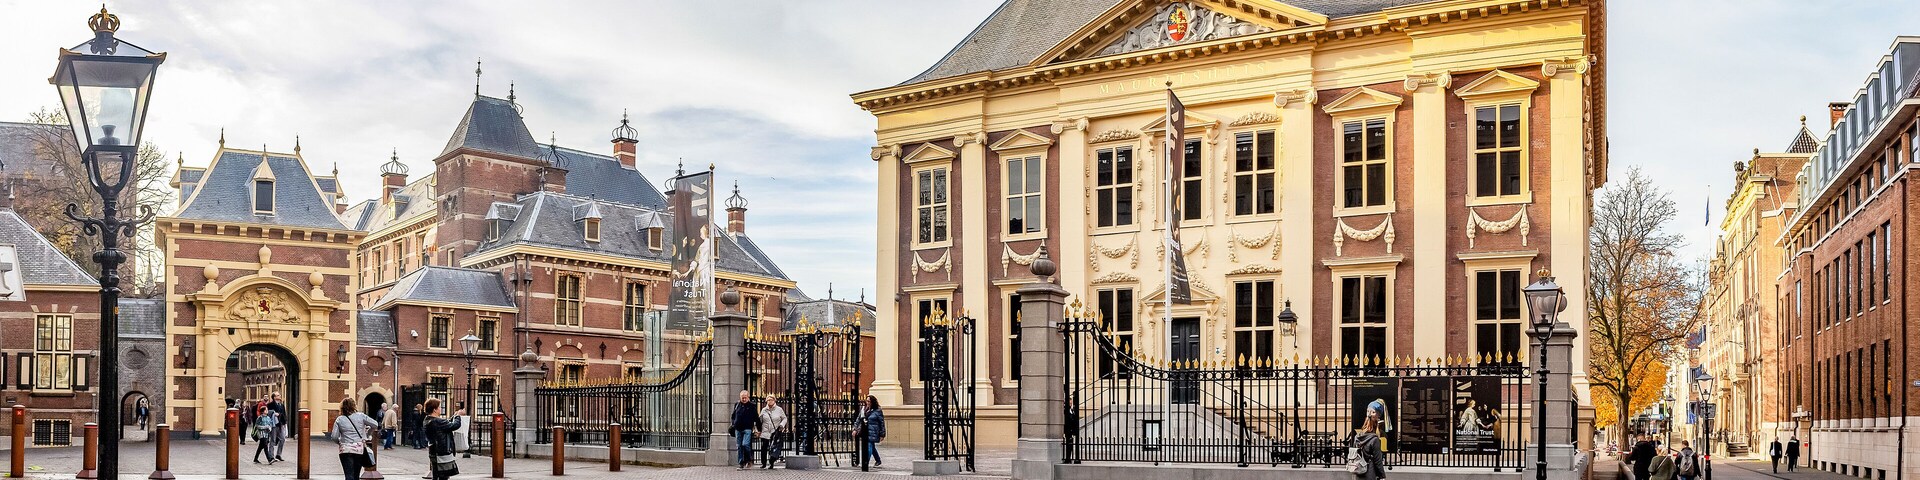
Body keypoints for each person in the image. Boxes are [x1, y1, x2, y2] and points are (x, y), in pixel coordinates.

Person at [332, 398, 380, 480]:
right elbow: (375, 424)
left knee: (348, 474)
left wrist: (340, 442)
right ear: (354, 406)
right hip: (358, 449)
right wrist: (368, 434)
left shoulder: (339, 419)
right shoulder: (361, 416)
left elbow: (334, 436)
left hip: (345, 449)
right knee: (356, 474)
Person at [421, 398, 465, 480]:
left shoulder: (427, 420)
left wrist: (454, 416)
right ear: (434, 410)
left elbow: (446, 424)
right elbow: (455, 425)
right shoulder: (437, 421)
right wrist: (458, 416)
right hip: (442, 451)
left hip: (433, 450)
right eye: (439, 407)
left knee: (436, 474)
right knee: (443, 475)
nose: (440, 409)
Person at [729, 390, 761, 470]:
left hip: (747, 428)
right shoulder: (737, 405)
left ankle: (749, 459)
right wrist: (733, 423)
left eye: (745, 398)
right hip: (738, 428)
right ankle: (741, 462)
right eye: (742, 398)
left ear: (748, 397)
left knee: (745, 444)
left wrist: (759, 429)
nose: (743, 399)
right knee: (739, 446)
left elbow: (756, 418)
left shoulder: (752, 406)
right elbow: (733, 416)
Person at [1350, 410, 1386, 480]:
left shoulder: (1357, 437)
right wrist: (1382, 476)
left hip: (1358, 471)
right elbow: (1378, 460)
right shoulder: (1375, 440)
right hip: (1370, 472)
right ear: (1376, 426)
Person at [759, 396, 788, 469]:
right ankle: (763, 463)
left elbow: (784, 418)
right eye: (768, 400)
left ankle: (771, 462)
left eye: (771, 400)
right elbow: (760, 420)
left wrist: (781, 425)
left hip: (775, 432)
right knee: (764, 447)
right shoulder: (764, 410)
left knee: (774, 447)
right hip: (765, 431)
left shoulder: (779, 409)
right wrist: (758, 430)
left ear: (774, 401)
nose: (770, 401)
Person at [860, 395, 886, 469]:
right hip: (866, 431)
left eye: (869, 401)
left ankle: (866, 462)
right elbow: (861, 419)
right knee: (872, 446)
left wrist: (882, 434)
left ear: (872, 402)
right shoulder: (865, 409)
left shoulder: (878, 411)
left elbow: (882, 423)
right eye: (866, 401)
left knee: (869, 445)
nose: (867, 403)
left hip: (874, 431)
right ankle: (878, 460)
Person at [268, 393, 287, 462]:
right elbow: (267, 413)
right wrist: (273, 413)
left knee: (282, 439)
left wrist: (284, 423)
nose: (280, 396)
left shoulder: (281, 405)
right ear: (274, 397)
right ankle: (271, 456)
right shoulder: (270, 405)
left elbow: (284, 414)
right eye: (278, 395)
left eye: (279, 395)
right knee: (272, 440)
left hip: (280, 424)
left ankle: (278, 454)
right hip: (274, 424)